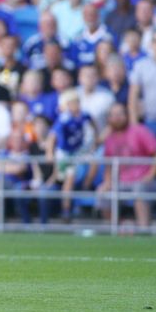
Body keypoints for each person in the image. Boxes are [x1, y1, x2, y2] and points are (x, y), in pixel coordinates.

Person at [97, 103, 156, 227]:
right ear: (109, 119)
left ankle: (144, 231)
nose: (117, 118)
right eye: (113, 115)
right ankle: (117, 229)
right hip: (121, 182)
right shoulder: (109, 138)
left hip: (146, 180)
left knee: (140, 189)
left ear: (126, 116)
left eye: (120, 114)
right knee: (103, 193)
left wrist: (149, 176)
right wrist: (107, 182)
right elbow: (108, 165)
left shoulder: (139, 131)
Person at [46, 89, 98, 222]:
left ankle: (85, 187)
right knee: (70, 175)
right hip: (65, 152)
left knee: (94, 162)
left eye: (77, 102)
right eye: (73, 102)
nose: (76, 105)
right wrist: (49, 153)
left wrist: (95, 142)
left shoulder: (84, 115)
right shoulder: (64, 119)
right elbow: (52, 136)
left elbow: (94, 125)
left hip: (78, 151)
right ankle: (66, 209)